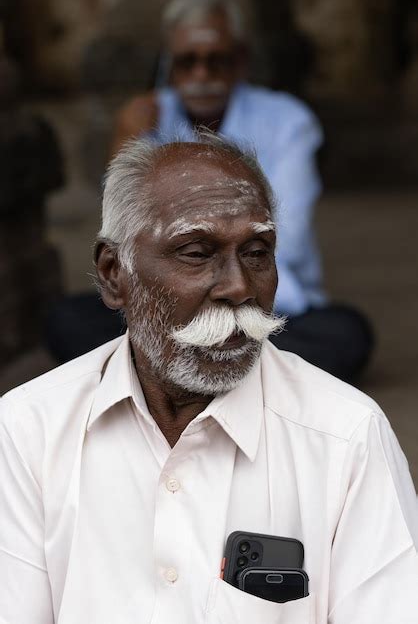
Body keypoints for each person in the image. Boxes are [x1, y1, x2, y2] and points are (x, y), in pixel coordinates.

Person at [1, 135, 417, 623]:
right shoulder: (28, 429)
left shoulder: (347, 435)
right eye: (197, 252)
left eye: (257, 251)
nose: (240, 286)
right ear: (115, 274)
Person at [45, 0, 373, 382]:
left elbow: (287, 239)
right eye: (188, 62)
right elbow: (128, 242)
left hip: (265, 312)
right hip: (173, 308)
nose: (202, 74)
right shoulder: (146, 118)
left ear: (240, 62)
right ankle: (239, 371)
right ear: (168, 66)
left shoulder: (287, 121)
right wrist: (126, 144)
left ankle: (169, 368)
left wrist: (217, 289)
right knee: (67, 319)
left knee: (347, 333)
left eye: (216, 60)